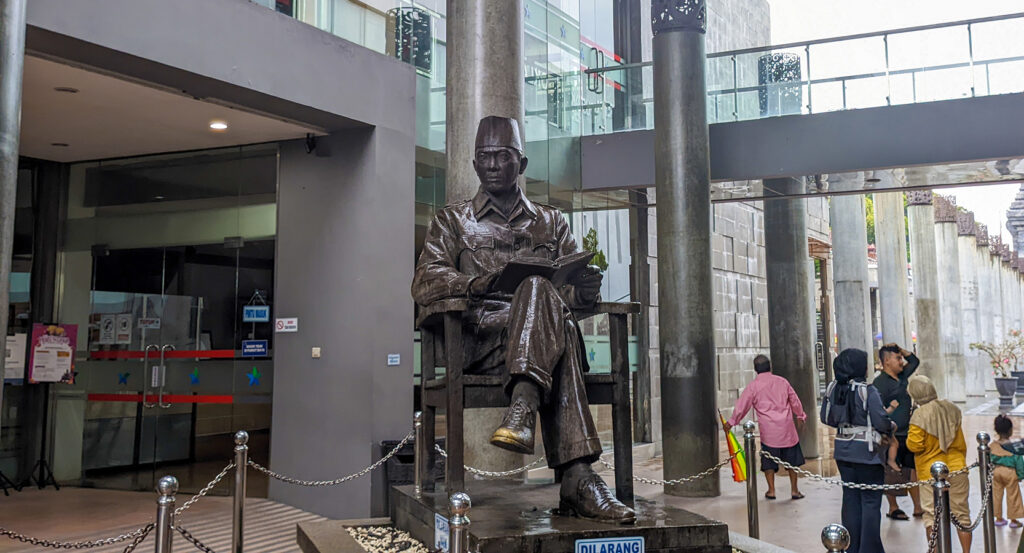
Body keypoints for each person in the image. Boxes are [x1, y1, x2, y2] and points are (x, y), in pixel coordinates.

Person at [411, 116, 634, 523]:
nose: (492, 164)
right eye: (484, 157)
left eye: (502, 155)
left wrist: (584, 291)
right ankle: (578, 478)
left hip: (541, 343)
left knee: (539, 291)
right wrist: (478, 283)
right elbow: (425, 281)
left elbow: (570, 292)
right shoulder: (452, 220)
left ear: (522, 163)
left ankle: (524, 405)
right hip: (483, 342)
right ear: (475, 165)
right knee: (544, 302)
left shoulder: (552, 221)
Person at [821, 348, 895, 553]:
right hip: (868, 453)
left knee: (851, 500)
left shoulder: (833, 389)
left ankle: (850, 546)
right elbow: (880, 419)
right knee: (870, 502)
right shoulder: (867, 390)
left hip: (843, 451)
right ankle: (870, 549)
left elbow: (825, 417)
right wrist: (890, 427)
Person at [724, 354, 807, 500]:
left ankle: (771, 490)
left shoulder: (753, 387)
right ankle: (794, 490)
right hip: (787, 430)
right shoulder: (783, 382)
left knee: (768, 463)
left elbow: (742, 407)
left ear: (755, 369)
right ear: (771, 366)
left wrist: (731, 422)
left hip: (769, 433)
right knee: (792, 462)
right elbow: (795, 400)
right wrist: (800, 416)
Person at [906, 375, 971, 553]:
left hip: (931, 473)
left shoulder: (919, 415)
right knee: (962, 514)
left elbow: (914, 445)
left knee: (932, 516)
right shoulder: (952, 408)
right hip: (957, 468)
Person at [872, 343, 924, 521]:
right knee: (891, 471)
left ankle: (918, 506)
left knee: (912, 469)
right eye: (897, 358)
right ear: (886, 361)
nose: (901, 361)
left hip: (907, 432)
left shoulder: (901, 377)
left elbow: (914, 361)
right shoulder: (879, 384)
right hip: (891, 433)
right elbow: (877, 410)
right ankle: (893, 507)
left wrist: (901, 350)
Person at [990, 415, 1024, 528]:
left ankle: (998, 518)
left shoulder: (992, 446)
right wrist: (1020, 475)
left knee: (996, 495)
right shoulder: (1013, 447)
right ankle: (1013, 520)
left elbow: (988, 461)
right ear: (1010, 431)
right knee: (1013, 495)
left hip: (996, 472)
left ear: (996, 430)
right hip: (1010, 473)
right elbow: (1019, 461)